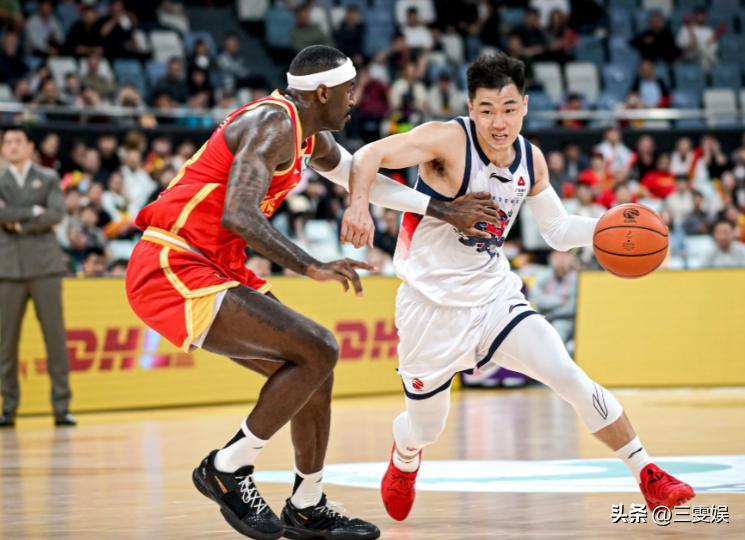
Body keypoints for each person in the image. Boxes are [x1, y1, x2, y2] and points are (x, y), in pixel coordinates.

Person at [125, 45, 496, 540]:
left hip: (217, 264)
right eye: (348, 91)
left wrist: (442, 210)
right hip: (174, 262)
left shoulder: (308, 137)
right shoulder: (272, 123)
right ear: (322, 92)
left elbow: (361, 177)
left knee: (314, 370)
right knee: (320, 347)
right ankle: (228, 466)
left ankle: (307, 504)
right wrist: (310, 265)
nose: (354, 100)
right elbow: (238, 213)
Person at [340, 51, 695, 522]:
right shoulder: (447, 140)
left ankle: (648, 473)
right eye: (487, 110)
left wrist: (613, 227)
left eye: (509, 108)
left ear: (524, 106)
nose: (499, 122)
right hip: (430, 307)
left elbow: (558, 232)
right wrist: (358, 205)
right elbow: (369, 155)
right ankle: (405, 457)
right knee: (426, 428)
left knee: (567, 375)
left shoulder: (531, 159)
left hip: (495, 298)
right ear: (471, 108)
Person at [0, 126, 75, 428]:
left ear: (30, 146)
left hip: (45, 267)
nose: (12, 146)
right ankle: (8, 408)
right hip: (7, 269)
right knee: (5, 344)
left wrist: (15, 221)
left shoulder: (48, 177)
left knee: (55, 339)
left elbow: (55, 214)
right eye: (7, 142)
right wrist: (32, 210)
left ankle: (62, 407)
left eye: (18, 141)